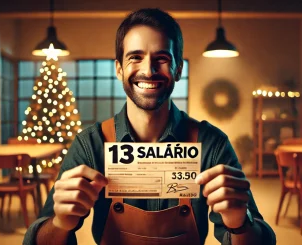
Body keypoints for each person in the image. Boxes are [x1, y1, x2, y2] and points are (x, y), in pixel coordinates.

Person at [24, 8, 276, 245]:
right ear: (119, 69)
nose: (149, 70)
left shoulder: (211, 143)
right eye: (135, 57)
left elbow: (263, 238)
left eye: (162, 58)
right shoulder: (90, 144)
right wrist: (59, 223)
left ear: (178, 69)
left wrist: (240, 224)